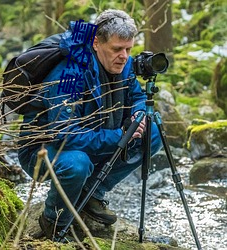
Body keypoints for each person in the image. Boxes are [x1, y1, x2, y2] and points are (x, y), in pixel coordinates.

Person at [18, 9, 162, 241]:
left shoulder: (123, 64)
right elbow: (64, 135)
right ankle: (53, 221)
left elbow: (136, 96)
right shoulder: (69, 74)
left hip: (93, 137)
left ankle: (92, 193)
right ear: (96, 42)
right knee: (77, 164)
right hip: (44, 150)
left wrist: (138, 114)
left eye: (129, 49)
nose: (124, 56)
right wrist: (119, 135)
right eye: (117, 49)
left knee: (152, 132)